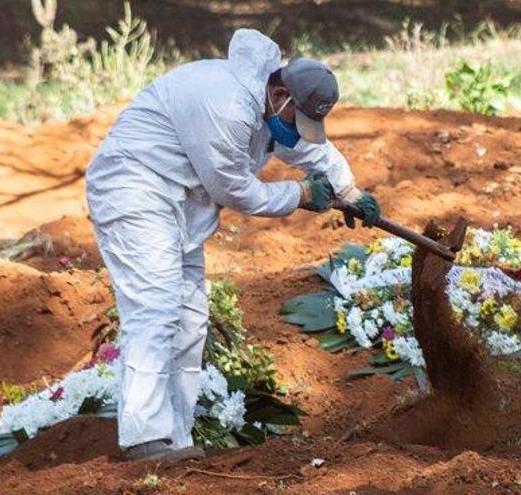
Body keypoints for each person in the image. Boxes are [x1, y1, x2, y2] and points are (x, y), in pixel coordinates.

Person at [85, 28, 379, 462]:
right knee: (156, 307)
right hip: (135, 188)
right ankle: (143, 438)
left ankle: (175, 440)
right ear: (280, 94)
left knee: (189, 321)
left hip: (178, 204)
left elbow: (309, 150)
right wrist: (299, 195)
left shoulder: (268, 105)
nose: (297, 131)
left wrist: (349, 191)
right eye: (297, 119)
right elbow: (234, 190)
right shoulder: (226, 106)